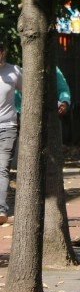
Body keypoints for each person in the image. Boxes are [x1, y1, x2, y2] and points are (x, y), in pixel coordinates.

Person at [0, 40, 22, 225]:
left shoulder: (14, 71)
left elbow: (31, 91)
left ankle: (0, 209)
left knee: (2, 168)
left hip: (7, 127)